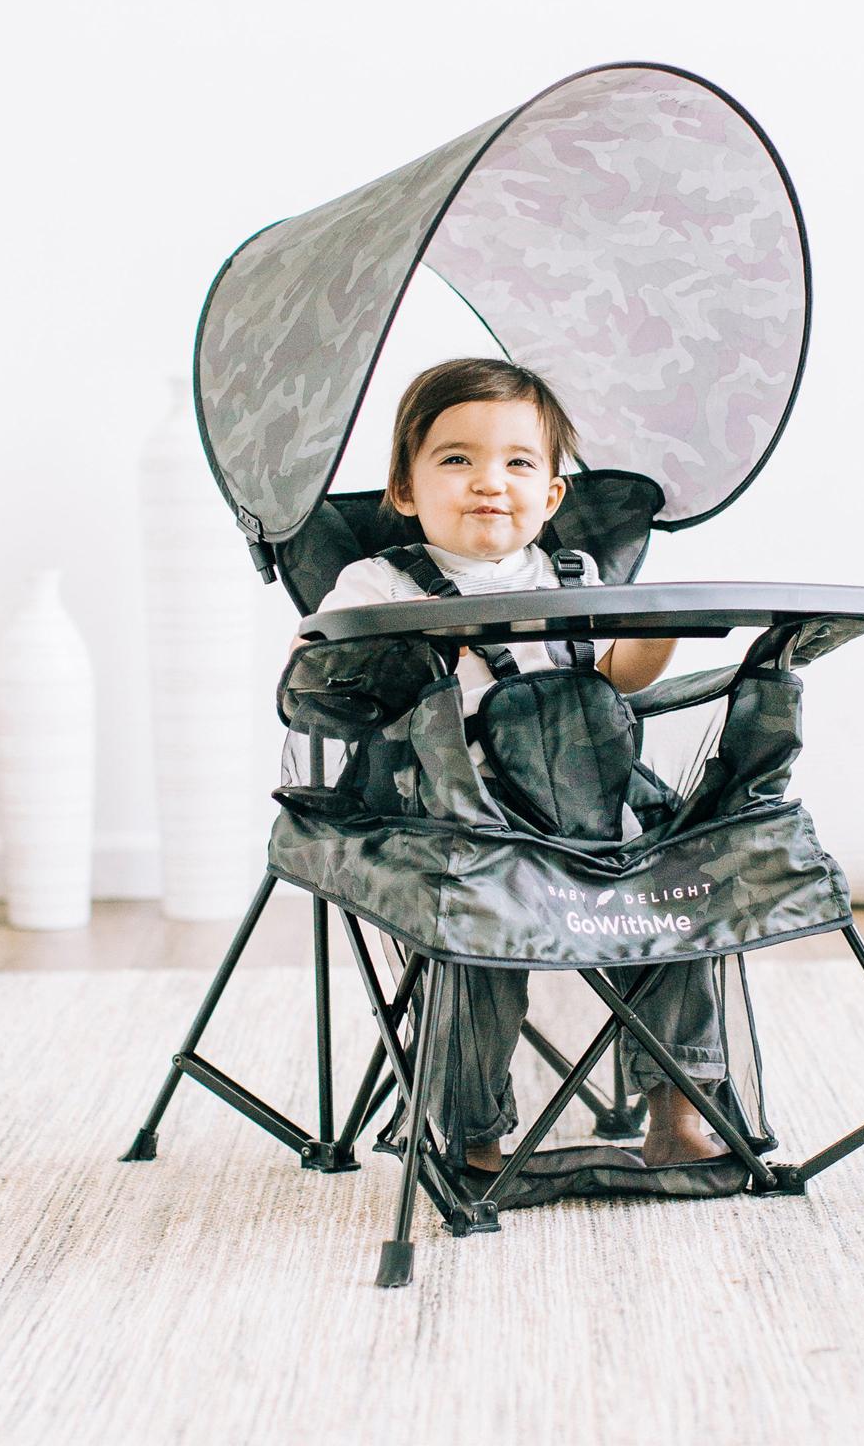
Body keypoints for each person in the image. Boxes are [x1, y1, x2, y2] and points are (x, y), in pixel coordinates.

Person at [293, 356, 730, 1171]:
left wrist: (657, 632)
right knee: (477, 933)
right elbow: (316, 681)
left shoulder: (574, 577)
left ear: (552, 495)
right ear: (406, 490)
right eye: (457, 458)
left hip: (587, 808)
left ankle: (680, 1110)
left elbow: (612, 681)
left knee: (675, 894)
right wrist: (385, 650)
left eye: (519, 463)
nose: (489, 481)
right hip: (455, 815)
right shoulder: (376, 583)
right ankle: (474, 1136)